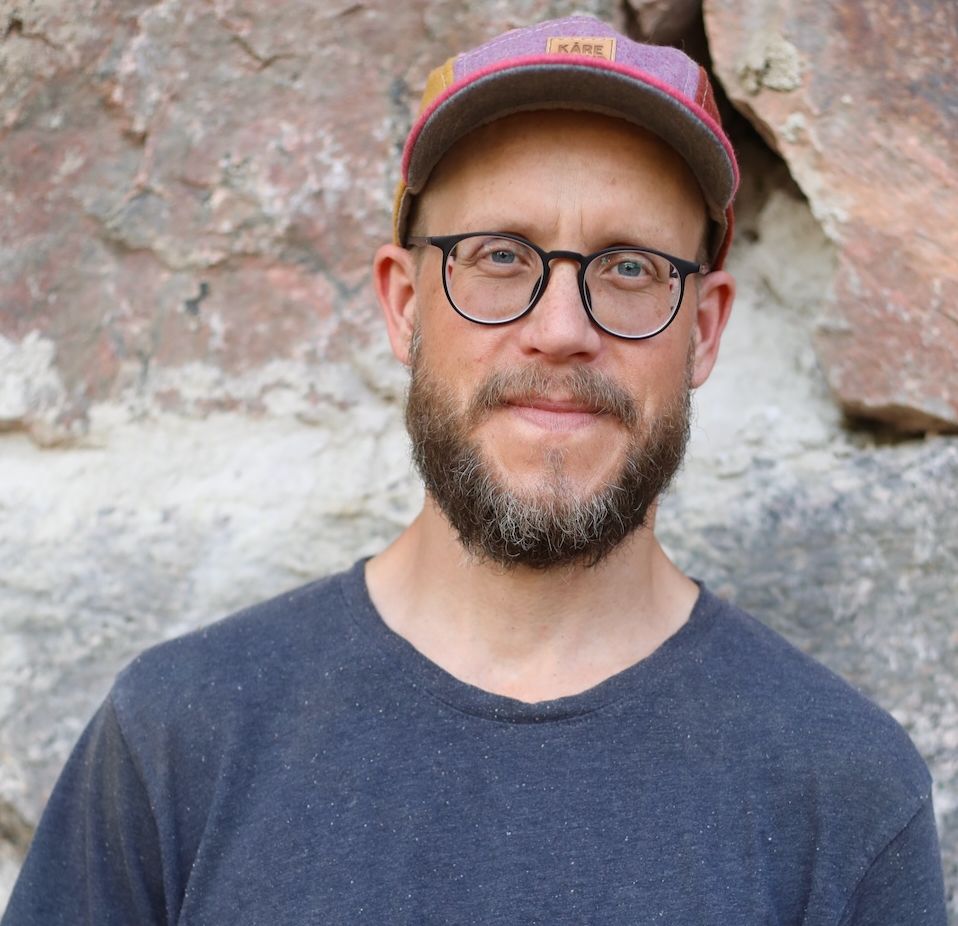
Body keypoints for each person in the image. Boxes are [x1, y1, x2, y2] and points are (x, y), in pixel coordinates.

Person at [3, 15, 947, 925]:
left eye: (629, 268)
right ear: (403, 304)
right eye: (499, 256)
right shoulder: (177, 742)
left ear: (702, 329)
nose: (560, 329)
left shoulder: (845, 794)